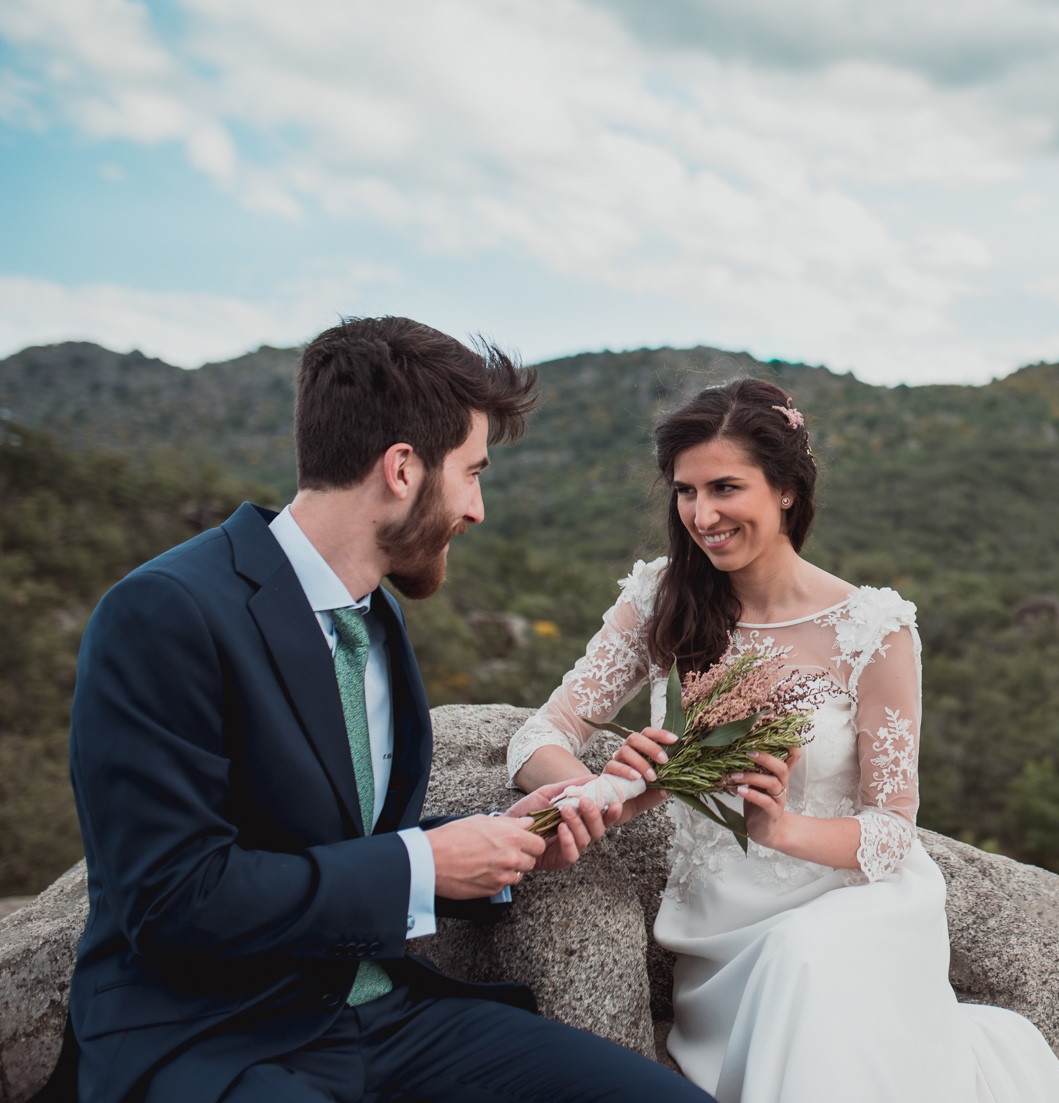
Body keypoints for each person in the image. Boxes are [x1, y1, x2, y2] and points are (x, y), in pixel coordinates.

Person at [63, 317, 715, 1103]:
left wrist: (506, 846)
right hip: (213, 1039)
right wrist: (422, 863)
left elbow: (339, 845)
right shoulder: (165, 612)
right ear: (402, 468)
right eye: (471, 472)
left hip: (388, 1017)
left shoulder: (376, 617)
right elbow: (169, 900)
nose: (477, 509)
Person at [508, 378, 1059, 1103]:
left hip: (851, 915)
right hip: (721, 941)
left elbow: (890, 831)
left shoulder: (873, 630)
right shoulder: (659, 600)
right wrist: (604, 788)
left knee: (808, 957)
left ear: (785, 488)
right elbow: (537, 735)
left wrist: (781, 826)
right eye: (685, 491)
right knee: (797, 971)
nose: (702, 514)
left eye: (725, 487)